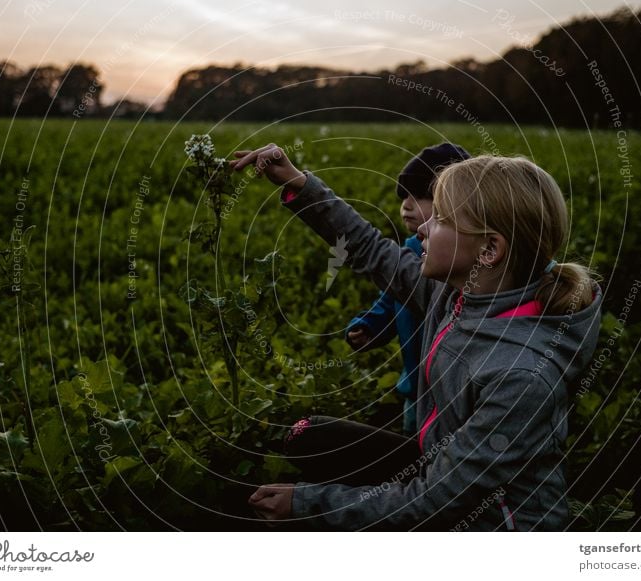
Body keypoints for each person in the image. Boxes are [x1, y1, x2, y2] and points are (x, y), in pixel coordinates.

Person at [231, 144, 603, 531]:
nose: (423, 227)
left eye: (440, 218)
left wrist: (310, 504)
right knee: (311, 437)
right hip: (439, 464)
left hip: (489, 524)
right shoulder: (461, 295)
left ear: (489, 249)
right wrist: (298, 183)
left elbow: (435, 500)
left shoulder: (520, 376)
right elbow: (373, 251)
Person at [346, 143, 471, 435]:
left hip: (452, 394)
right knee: (412, 445)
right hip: (414, 388)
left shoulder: (459, 263)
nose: (406, 206)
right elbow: (392, 298)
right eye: (404, 197)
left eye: (419, 197)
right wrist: (371, 326)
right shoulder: (411, 252)